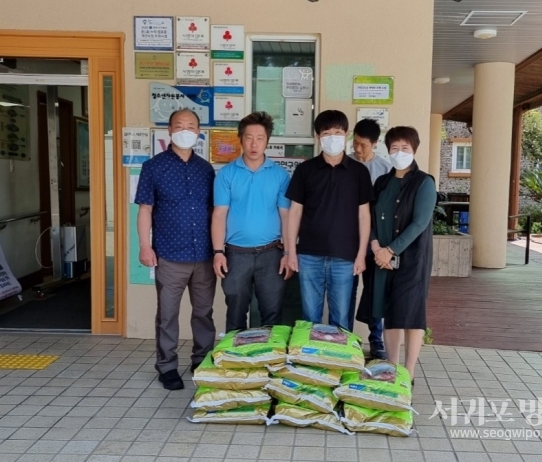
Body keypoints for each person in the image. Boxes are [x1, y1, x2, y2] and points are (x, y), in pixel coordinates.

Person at [135, 109, 216, 390]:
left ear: (198, 131)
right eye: (179, 125)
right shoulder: (153, 167)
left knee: (203, 312)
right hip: (169, 254)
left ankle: (201, 359)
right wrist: (145, 246)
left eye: (191, 126)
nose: (185, 130)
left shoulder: (205, 169)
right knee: (167, 314)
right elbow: (145, 209)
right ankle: (167, 366)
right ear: (169, 130)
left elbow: (215, 212)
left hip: (204, 255)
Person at [358, 126, 436, 386]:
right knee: (389, 311)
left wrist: (390, 250)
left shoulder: (424, 182)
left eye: (405, 148)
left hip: (411, 260)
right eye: (394, 148)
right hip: (381, 259)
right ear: (387, 150)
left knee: (411, 314)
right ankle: (391, 369)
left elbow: (420, 222)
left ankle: (409, 373)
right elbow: (369, 217)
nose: (399, 152)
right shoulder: (381, 182)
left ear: (414, 150)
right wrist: (376, 247)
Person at [286, 110, 373, 330]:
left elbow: (364, 215)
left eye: (337, 132)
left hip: (345, 257)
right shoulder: (305, 170)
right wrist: (291, 253)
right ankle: (310, 362)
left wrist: (362, 254)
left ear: (346, 135)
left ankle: (339, 364)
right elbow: (294, 212)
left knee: (341, 320)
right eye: (326, 132)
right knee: (309, 319)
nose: (332, 137)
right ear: (318, 137)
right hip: (308, 255)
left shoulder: (359, 172)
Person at [212, 111, 292, 332]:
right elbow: (219, 214)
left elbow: (286, 216)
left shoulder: (280, 175)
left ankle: (268, 363)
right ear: (241, 139)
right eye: (249, 137)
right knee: (236, 312)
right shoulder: (226, 174)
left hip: (272, 253)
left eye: (260, 138)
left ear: (267, 141)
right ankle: (234, 362)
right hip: (236, 255)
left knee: (272, 313)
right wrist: (218, 252)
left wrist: (287, 254)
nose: (254, 144)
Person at [348, 119, 391, 359]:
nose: (358, 149)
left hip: (376, 243)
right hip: (349, 240)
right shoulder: (344, 164)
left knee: (375, 292)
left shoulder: (384, 170)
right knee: (348, 291)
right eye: (355, 143)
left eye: (363, 145)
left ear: (375, 144)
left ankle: (376, 340)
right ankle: (346, 339)